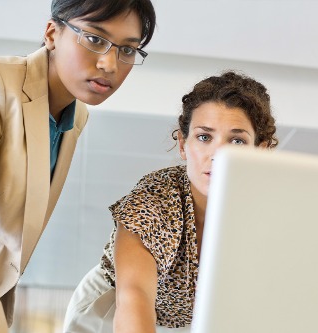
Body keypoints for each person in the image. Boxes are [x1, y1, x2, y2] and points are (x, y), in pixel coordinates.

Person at [0, 0, 156, 332]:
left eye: (127, 50)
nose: (109, 63)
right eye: (96, 39)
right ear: (52, 33)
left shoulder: (76, 116)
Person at [63, 71, 279, 333]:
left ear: (262, 149)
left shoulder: (267, 209)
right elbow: (134, 297)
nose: (218, 154)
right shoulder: (157, 198)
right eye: (204, 137)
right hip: (110, 311)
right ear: (182, 144)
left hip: (190, 321)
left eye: (237, 140)